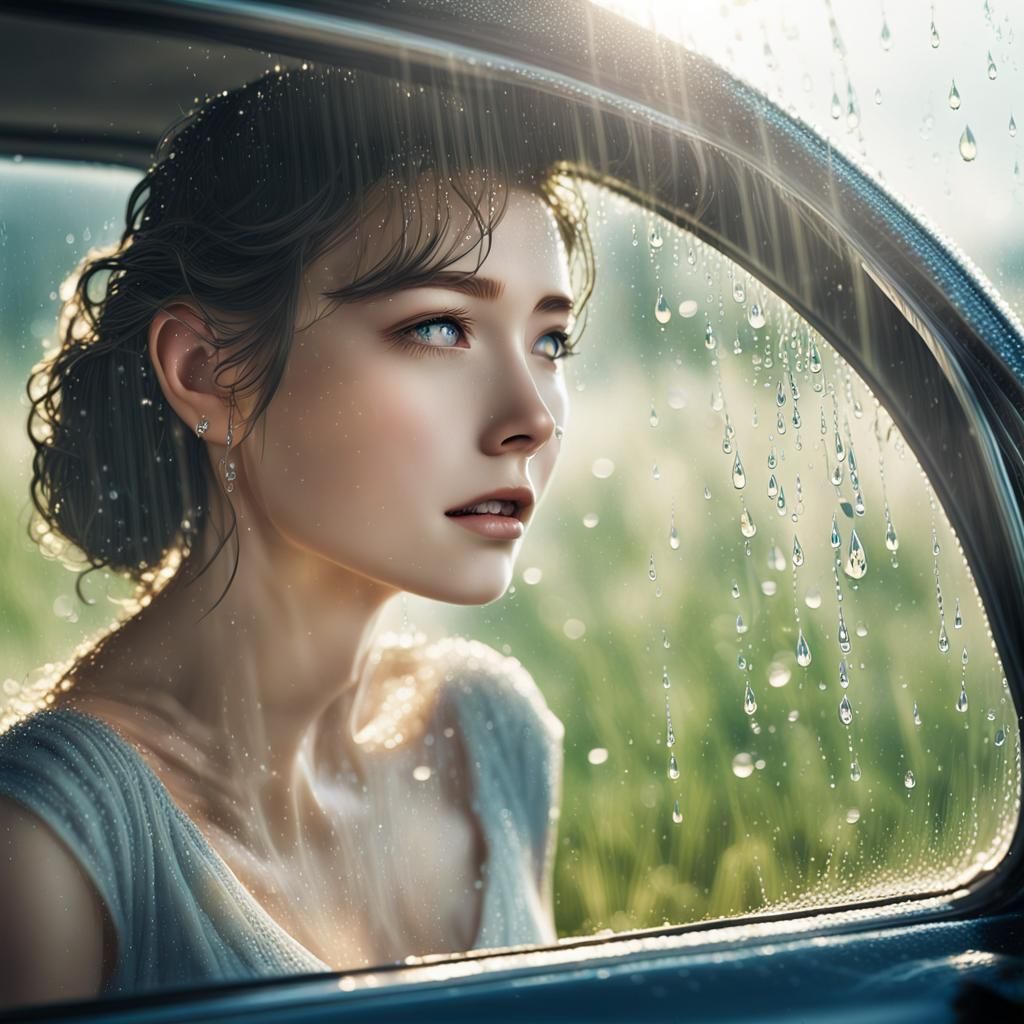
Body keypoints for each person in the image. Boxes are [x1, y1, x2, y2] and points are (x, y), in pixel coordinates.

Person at [0, 64, 594, 1008]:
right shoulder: (46, 852)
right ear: (205, 373)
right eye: (440, 327)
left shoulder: (490, 735)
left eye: (550, 342)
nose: (531, 416)